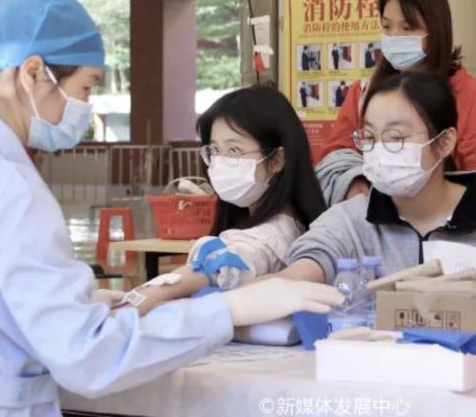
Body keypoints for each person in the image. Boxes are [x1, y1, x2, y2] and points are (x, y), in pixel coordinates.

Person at [0, 0, 341, 417]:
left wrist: (73, 303)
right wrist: (226, 310)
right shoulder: (7, 186)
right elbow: (87, 356)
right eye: (85, 88)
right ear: (33, 74)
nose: (86, 107)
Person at [281, 72, 476, 283]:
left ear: (444, 142)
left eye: (396, 138)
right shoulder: (352, 219)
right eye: (370, 137)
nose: (380, 150)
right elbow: (304, 267)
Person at [129, 86, 328, 307]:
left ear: (276, 160)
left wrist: (129, 303)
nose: (220, 163)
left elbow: (220, 266)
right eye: (214, 150)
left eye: (234, 150)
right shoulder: (299, 225)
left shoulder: (267, 238)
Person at [317, 0, 476, 205]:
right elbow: (336, 154)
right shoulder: (364, 92)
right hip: (372, 214)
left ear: (435, 30)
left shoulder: (467, 92)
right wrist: (352, 182)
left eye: (407, 27)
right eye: (387, 27)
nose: (395, 36)